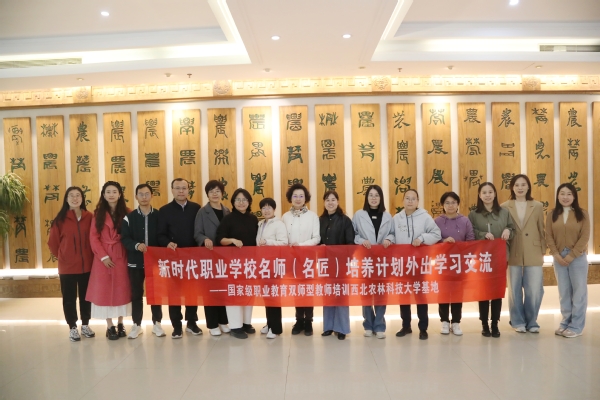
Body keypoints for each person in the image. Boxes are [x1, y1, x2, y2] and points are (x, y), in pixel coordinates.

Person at [48, 186, 95, 342]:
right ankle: (72, 327)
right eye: (71, 195)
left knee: (86, 298)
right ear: (66, 199)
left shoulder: (90, 217)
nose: (75, 198)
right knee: (69, 298)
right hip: (67, 268)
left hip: (87, 266)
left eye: (78, 195)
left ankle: (85, 325)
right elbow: (53, 243)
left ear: (82, 198)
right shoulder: (60, 219)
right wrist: (64, 257)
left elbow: (95, 239)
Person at [86, 181, 132, 340]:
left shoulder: (127, 212)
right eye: (108, 192)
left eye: (114, 191)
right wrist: (103, 257)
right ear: (103, 195)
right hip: (103, 257)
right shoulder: (98, 214)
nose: (111, 194)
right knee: (104, 291)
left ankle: (120, 323)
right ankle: (109, 325)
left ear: (120, 194)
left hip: (121, 254)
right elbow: (93, 238)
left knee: (122, 290)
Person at [394, 189, 441, 340]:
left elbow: (436, 234)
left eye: (413, 198)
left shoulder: (425, 217)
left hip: (419, 263)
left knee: (420, 295)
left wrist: (421, 238)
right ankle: (406, 325)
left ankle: (423, 328)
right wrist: (389, 239)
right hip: (402, 264)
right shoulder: (396, 218)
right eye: (407, 198)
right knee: (403, 296)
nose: (410, 201)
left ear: (418, 201)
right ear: (403, 200)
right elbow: (391, 234)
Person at [501, 174, 546, 334]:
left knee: (534, 288)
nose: (520, 188)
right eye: (517, 185)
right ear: (512, 188)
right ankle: (517, 321)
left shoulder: (537, 206)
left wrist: (543, 250)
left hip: (533, 250)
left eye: (523, 184)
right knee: (514, 289)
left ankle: (532, 320)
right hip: (513, 250)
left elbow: (541, 229)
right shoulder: (505, 206)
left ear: (528, 187)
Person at [158, 178, 202, 339]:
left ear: (189, 190)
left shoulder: (196, 208)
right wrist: (167, 243)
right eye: (177, 188)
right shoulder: (164, 210)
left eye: (184, 188)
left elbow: (200, 231)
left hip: (192, 258)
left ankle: (192, 323)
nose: (181, 191)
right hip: (173, 258)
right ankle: (176, 326)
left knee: (192, 292)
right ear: (172, 190)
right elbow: (160, 235)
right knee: (174, 293)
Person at [468, 182, 514, 338]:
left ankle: (495, 323)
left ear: (495, 194)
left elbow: (512, 228)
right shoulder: (473, 214)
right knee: (483, 291)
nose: (487, 195)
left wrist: (508, 230)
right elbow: (470, 233)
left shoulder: (504, 212)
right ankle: (484, 324)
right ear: (479, 195)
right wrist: (482, 235)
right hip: (482, 258)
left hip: (500, 257)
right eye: (484, 192)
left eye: (490, 192)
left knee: (496, 291)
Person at [546, 183, 590, 338]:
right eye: (562, 194)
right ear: (558, 196)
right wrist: (556, 255)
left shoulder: (582, 214)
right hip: (559, 257)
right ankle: (565, 322)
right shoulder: (552, 214)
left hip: (577, 257)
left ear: (574, 196)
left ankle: (576, 326)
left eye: (569, 194)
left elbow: (585, 236)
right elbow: (548, 236)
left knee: (579, 292)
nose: (565, 197)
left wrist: (572, 255)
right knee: (564, 292)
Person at [121, 184, 164, 339]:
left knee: (156, 293)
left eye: (147, 194)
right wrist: (136, 245)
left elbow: (163, 235)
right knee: (136, 293)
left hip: (155, 262)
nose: (144, 197)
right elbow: (124, 238)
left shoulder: (159, 216)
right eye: (141, 194)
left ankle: (157, 323)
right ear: (136, 197)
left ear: (152, 195)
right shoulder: (129, 218)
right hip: (135, 262)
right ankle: (136, 324)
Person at [216, 188, 259, 339]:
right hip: (232, 264)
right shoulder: (228, 219)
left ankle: (246, 323)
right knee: (234, 292)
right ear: (233, 202)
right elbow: (220, 239)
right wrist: (232, 240)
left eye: (244, 200)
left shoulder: (253, 219)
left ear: (249, 202)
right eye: (238, 200)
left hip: (250, 263)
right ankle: (235, 326)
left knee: (248, 292)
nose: (241, 203)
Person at [352, 185, 394, 339]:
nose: (374, 198)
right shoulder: (359, 215)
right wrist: (361, 240)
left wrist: (389, 238)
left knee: (381, 293)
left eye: (377, 195)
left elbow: (393, 233)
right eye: (371, 195)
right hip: (366, 259)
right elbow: (353, 234)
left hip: (383, 260)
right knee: (366, 293)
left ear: (381, 198)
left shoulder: (387, 216)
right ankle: (368, 324)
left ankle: (380, 325)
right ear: (366, 197)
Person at [282, 183, 321, 336]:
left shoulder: (312, 216)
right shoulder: (285, 216)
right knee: (297, 290)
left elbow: (316, 238)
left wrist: (301, 245)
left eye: (301, 196)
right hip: (292, 260)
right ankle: (299, 320)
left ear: (306, 198)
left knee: (308, 290)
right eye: (295, 196)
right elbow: (283, 238)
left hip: (308, 259)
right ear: (290, 198)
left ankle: (309, 321)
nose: (298, 199)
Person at [434, 191, 474, 336]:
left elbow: (471, 240)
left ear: (458, 204)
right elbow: (432, 240)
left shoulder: (465, 221)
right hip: (442, 263)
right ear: (442, 205)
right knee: (443, 292)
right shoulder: (437, 221)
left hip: (459, 263)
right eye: (447, 203)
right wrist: (443, 241)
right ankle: (444, 321)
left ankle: (456, 321)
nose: (450, 205)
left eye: (453, 202)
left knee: (457, 293)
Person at [194, 180, 231, 336]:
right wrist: (204, 239)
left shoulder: (227, 210)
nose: (215, 194)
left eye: (217, 191)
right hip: (208, 257)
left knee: (223, 290)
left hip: (225, 257)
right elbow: (197, 233)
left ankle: (223, 321)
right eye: (211, 191)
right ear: (207, 194)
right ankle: (212, 324)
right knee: (210, 291)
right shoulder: (203, 212)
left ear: (222, 193)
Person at [320, 190, 354, 340]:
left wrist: (343, 257)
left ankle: (341, 328)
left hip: (341, 265)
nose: (330, 202)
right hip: (325, 264)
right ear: (324, 203)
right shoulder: (320, 220)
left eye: (333, 199)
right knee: (328, 294)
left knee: (340, 296)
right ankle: (328, 326)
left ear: (338, 202)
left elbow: (351, 243)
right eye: (327, 200)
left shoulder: (345, 220)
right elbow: (317, 241)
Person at [256, 197, 288, 339]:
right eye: (263, 208)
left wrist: (268, 242)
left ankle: (275, 328)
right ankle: (269, 324)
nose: (266, 210)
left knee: (274, 296)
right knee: (266, 296)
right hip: (263, 265)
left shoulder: (279, 224)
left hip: (274, 264)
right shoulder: (260, 223)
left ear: (274, 209)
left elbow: (284, 242)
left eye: (269, 207)